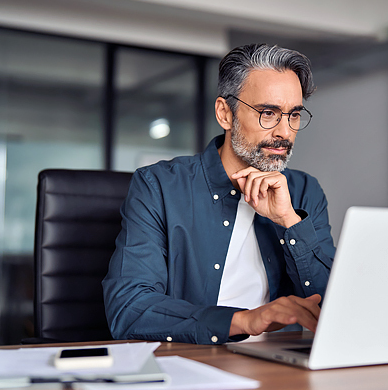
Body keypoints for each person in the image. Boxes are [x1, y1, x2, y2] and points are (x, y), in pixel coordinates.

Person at [103, 43, 336, 345]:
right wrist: (245, 320)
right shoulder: (159, 185)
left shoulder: (305, 192)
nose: (284, 131)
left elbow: (333, 308)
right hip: (194, 361)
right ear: (225, 114)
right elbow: (128, 309)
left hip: (281, 367)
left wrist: (289, 221)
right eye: (268, 113)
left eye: (293, 115)